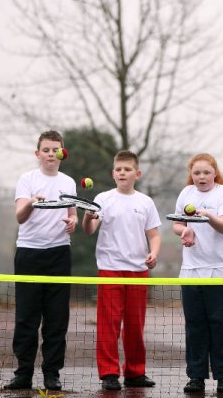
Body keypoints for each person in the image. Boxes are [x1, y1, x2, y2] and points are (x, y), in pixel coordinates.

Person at [5, 130, 78, 391]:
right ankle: (23, 373)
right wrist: (32, 202)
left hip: (59, 253)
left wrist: (73, 222)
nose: (50, 154)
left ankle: (51, 374)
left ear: (62, 153)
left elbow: (73, 216)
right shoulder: (27, 179)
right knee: (27, 317)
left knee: (57, 318)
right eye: (45, 149)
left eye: (55, 149)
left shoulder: (68, 182)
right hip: (29, 254)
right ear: (38, 154)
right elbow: (20, 217)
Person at [82, 150, 161, 391]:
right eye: (118, 169)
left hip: (138, 272)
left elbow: (154, 234)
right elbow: (89, 229)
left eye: (127, 169)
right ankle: (109, 373)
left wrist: (154, 253)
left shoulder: (145, 202)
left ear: (137, 173)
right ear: (112, 173)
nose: (122, 173)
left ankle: (135, 372)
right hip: (110, 270)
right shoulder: (103, 199)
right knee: (109, 324)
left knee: (135, 325)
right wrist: (87, 217)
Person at [172, 153, 223, 394]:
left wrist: (207, 215)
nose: (201, 177)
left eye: (206, 172)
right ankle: (196, 376)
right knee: (195, 325)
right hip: (191, 270)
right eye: (196, 173)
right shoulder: (186, 194)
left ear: (214, 173)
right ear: (192, 174)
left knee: (220, 324)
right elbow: (177, 223)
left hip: (220, 268)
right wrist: (185, 231)